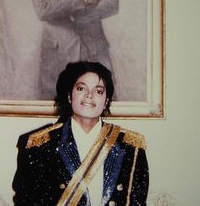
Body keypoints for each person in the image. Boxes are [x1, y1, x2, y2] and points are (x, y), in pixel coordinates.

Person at [12, 61, 149, 205]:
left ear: (106, 102)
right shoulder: (39, 146)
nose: (89, 95)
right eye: (81, 88)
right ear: (70, 97)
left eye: (99, 91)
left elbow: (137, 201)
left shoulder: (131, 147)